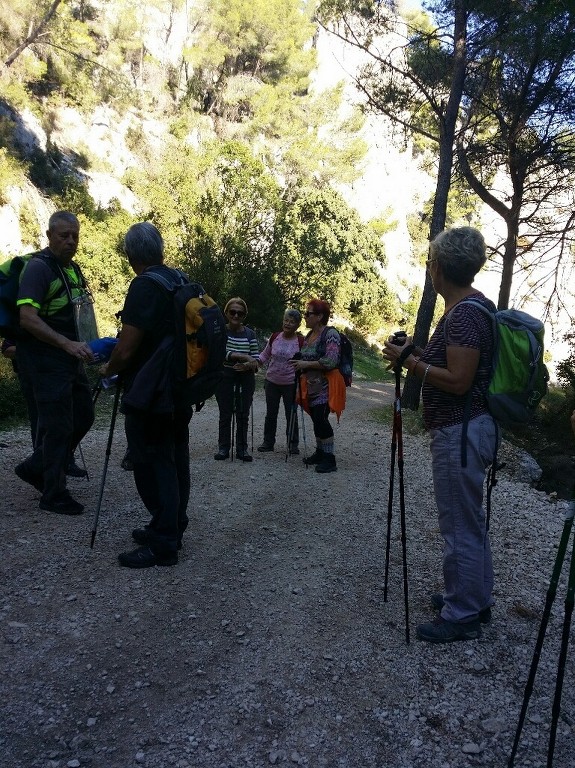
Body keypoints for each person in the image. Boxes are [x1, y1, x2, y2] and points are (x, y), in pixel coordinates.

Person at [383, 226, 498, 644]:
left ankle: (463, 613)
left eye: (429, 262)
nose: (428, 269)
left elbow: (459, 380)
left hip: (459, 432)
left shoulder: (464, 313)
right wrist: (413, 353)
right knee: (469, 520)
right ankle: (473, 597)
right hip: (468, 429)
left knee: (458, 525)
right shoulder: (471, 308)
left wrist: (410, 363)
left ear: (440, 268)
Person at [100, 222, 193, 568]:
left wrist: (107, 369)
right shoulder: (179, 279)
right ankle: (171, 524)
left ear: (130, 255)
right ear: (160, 249)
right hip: (180, 390)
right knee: (175, 459)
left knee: (151, 463)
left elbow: (126, 350)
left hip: (152, 393)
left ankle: (164, 542)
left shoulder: (144, 287)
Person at [14, 211, 95, 515]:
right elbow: (27, 318)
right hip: (44, 360)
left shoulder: (72, 269)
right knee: (58, 426)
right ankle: (53, 493)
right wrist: (66, 344)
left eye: (75, 235)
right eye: (64, 235)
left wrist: (92, 345)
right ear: (49, 236)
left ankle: (38, 464)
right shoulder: (39, 269)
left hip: (69, 359)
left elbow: (81, 313)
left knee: (84, 415)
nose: (71, 241)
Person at [290, 299, 346, 473]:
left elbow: (331, 360)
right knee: (316, 418)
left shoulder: (331, 335)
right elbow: (308, 357)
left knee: (321, 419)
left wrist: (305, 365)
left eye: (308, 314)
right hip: (313, 384)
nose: (305, 317)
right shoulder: (309, 336)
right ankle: (320, 452)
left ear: (320, 316)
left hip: (327, 384)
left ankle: (330, 459)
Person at [214, 298, 259, 462]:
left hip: (245, 376)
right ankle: (224, 448)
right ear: (226, 313)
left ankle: (242, 449)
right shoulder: (220, 331)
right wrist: (242, 356)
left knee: (243, 413)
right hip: (225, 375)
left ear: (244, 315)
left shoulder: (250, 334)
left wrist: (247, 365)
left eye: (240, 313)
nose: (236, 315)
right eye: (232, 312)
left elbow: (256, 359)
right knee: (225, 413)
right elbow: (219, 353)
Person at [257, 309, 303, 455]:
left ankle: (293, 445)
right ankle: (268, 443)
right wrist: (255, 363)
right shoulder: (275, 336)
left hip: (291, 383)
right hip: (272, 382)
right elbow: (265, 354)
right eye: (286, 320)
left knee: (291, 414)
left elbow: (303, 362)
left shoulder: (301, 341)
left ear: (297, 325)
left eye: (292, 322)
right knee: (271, 413)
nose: (287, 324)